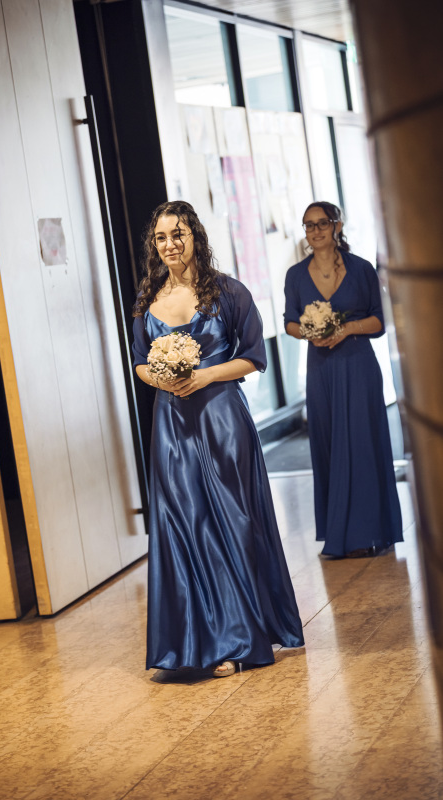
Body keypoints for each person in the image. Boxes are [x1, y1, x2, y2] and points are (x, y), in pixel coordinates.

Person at [132, 200, 304, 677]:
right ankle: (192, 645)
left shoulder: (229, 292)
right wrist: (159, 378)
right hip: (171, 424)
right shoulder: (147, 298)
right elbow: (139, 361)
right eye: (161, 237)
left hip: (221, 418)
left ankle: (240, 637)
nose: (170, 244)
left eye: (178, 234)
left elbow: (253, 356)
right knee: (184, 522)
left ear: (196, 237)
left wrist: (205, 376)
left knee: (233, 520)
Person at [284, 201, 403, 558]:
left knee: (364, 442)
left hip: (358, 366)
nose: (315, 231)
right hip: (321, 369)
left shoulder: (362, 269)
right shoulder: (295, 275)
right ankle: (337, 533)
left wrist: (347, 328)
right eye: (309, 225)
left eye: (322, 223)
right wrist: (310, 331)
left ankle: (371, 532)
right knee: (328, 444)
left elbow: (380, 321)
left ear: (337, 226)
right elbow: (289, 323)